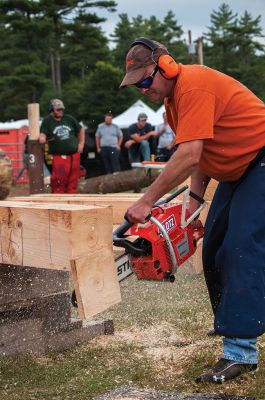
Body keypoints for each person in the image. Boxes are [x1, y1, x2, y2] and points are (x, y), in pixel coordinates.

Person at [119, 37, 265, 384]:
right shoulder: (172, 101)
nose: (143, 89)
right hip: (238, 171)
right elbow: (204, 150)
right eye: (136, 84)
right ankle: (234, 323)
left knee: (241, 247)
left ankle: (241, 351)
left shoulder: (194, 86)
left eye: (145, 80)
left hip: (260, 160)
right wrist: (194, 203)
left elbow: (189, 155)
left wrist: (146, 201)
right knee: (213, 246)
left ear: (166, 66)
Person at [39, 99, 85, 193]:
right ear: (52, 110)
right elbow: (43, 133)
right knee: (59, 181)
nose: (60, 111)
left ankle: (71, 201)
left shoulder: (69, 118)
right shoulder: (47, 121)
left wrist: (81, 143)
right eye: (58, 110)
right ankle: (58, 200)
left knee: (73, 180)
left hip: (74, 155)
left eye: (61, 109)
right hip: (59, 156)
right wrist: (42, 137)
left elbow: (81, 129)